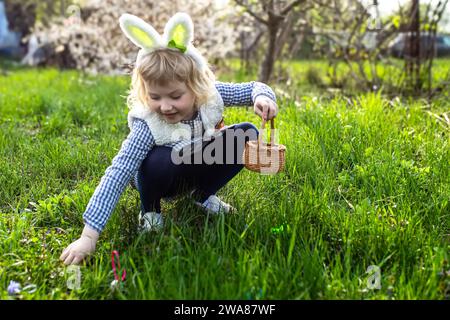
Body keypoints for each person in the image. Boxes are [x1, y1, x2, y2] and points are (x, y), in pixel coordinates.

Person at [60, 12, 278, 265]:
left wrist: (263, 97)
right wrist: (88, 236)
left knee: (247, 133)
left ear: (196, 87)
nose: (165, 106)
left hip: (195, 164)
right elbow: (118, 172)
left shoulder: (211, 95)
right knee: (158, 158)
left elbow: (253, 87)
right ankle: (150, 212)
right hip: (160, 179)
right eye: (155, 97)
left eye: (175, 97)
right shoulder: (148, 122)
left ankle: (202, 196)